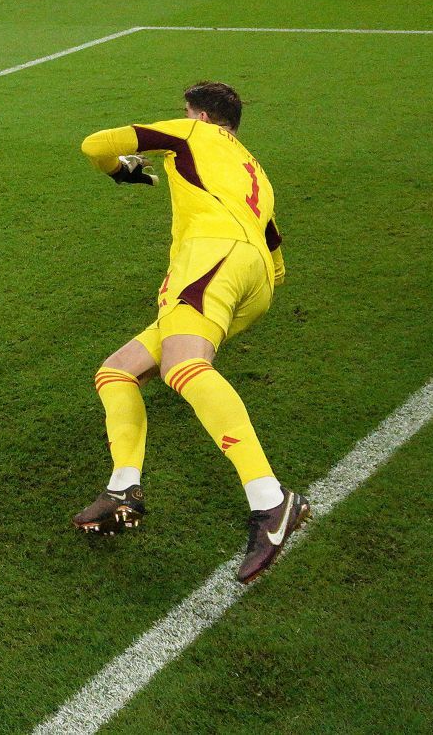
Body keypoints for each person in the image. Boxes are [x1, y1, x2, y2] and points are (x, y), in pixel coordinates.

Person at [72, 82, 302, 584]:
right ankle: (123, 486)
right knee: (117, 372)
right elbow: (275, 247)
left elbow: (95, 145)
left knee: (184, 366)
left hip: (211, 259)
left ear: (199, 115)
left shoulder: (189, 133)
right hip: (257, 278)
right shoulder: (255, 170)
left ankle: (271, 498)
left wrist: (122, 171)